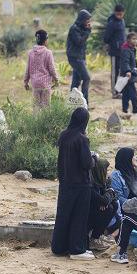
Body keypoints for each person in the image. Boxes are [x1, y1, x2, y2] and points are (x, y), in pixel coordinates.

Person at [51, 107, 95, 260]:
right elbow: (86, 163)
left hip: (65, 182)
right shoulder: (82, 139)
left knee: (63, 215)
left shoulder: (64, 135)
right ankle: (77, 250)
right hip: (80, 184)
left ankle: (59, 247)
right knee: (79, 216)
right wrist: (94, 159)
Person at [88, 158, 118, 252]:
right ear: (100, 170)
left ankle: (99, 235)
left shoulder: (103, 182)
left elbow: (114, 195)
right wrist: (107, 197)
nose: (108, 173)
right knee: (108, 208)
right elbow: (104, 200)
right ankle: (94, 239)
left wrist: (109, 194)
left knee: (114, 204)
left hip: (97, 210)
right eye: (106, 170)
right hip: (88, 214)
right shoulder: (91, 184)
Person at [25, 30, 59, 109]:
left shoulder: (31, 53)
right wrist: (56, 80)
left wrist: (26, 82)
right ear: (46, 40)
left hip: (35, 84)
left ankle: (35, 121)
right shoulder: (48, 53)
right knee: (46, 107)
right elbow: (52, 69)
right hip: (45, 84)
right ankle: (45, 121)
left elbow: (28, 69)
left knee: (36, 107)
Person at [66, 10, 92, 105]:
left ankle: (72, 102)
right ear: (82, 20)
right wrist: (88, 31)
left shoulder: (82, 28)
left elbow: (82, 47)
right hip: (74, 57)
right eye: (87, 20)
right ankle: (85, 102)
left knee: (76, 81)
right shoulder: (74, 29)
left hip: (80, 57)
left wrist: (84, 59)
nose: (88, 22)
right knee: (86, 78)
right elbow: (79, 42)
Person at [103, 4, 127, 96]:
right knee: (114, 72)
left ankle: (119, 90)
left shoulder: (122, 21)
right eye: (118, 14)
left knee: (121, 71)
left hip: (122, 51)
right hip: (114, 51)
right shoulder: (112, 23)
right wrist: (113, 44)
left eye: (121, 14)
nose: (119, 16)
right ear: (114, 12)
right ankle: (114, 92)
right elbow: (106, 37)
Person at [119, 32, 137, 114]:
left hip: (130, 74)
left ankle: (125, 109)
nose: (135, 41)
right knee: (133, 93)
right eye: (133, 39)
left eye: (136, 39)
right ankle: (135, 110)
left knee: (126, 94)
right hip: (128, 75)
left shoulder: (131, 49)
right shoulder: (126, 50)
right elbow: (125, 62)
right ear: (128, 40)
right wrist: (128, 71)